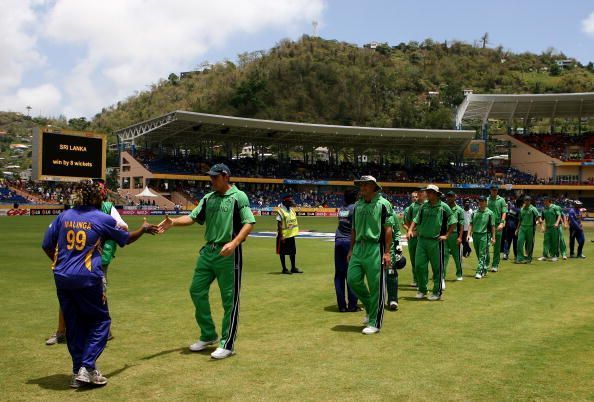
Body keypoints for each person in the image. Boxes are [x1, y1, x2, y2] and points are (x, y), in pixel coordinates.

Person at [41, 181, 157, 388]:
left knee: (74, 326)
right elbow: (126, 239)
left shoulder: (64, 216)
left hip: (62, 278)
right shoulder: (102, 218)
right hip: (88, 279)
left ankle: (77, 371)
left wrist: (59, 264)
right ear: (98, 198)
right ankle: (87, 367)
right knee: (101, 322)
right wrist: (144, 229)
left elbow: (46, 245)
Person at [158, 163, 255, 359]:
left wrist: (235, 243)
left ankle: (227, 344)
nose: (211, 181)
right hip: (208, 253)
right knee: (196, 290)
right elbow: (193, 218)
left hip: (228, 254)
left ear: (225, 176)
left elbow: (249, 222)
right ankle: (208, 334)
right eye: (210, 177)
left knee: (230, 300)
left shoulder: (239, 197)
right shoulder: (208, 198)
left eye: (215, 177)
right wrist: (174, 222)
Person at [346, 176, 393, 334]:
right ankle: (369, 307)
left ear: (374, 187)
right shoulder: (358, 205)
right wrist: (351, 249)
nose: (363, 187)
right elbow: (353, 229)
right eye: (361, 185)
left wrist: (387, 252)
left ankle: (375, 322)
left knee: (376, 287)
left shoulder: (383, 204)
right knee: (352, 280)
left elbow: (388, 229)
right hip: (359, 247)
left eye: (366, 185)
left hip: (375, 248)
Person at [406, 184, 456, 301]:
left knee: (437, 268)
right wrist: (409, 230)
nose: (428, 194)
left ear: (436, 194)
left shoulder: (444, 207)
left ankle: (437, 292)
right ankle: (422, 289)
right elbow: (415, 220)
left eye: (430, 192)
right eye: (427, 192)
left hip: (436, 241)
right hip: (422, 241)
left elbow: (453, 221)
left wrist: (447, 235)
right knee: (419, 266)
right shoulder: (423, 207)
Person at [334, 189, 360, 312]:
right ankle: (352, 305)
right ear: (355, 197)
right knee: (352, 274)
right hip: (349, 243)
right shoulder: (355, 208)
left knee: (339, 275)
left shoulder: (342, 209)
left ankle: (342, 306)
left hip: (338, 241)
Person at [468, 196, 496, 279]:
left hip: (485, 235)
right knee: (478, 253)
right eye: (480, 201)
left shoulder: (490, 213)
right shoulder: (474, 212)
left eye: (483, 201)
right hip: (475, 235)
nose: (481, 202)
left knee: (482, 253)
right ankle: (484, 268)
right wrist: (468, 234)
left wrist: (493, 237)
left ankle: (479, 271)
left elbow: (492, 226)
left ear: (486, 202)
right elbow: (471, 224)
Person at [402, 189, 426, 287]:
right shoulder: (410, 208)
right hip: (413, 238)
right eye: (413, 197)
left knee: (422, 260)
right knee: (413, 259)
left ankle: (423, 280)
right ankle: (416, 279)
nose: (415, 198)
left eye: (416, 196)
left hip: (423, 236)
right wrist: (410, 231)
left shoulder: (427, 206)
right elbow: (405, 223)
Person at [276, 194, 302, 274]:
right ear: (285, 202)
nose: (291, 202)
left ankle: (293, 268)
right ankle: (284, 269)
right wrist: (281, 236)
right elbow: (279, 224)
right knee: (282, 252)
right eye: (290, 201)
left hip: (291, 235)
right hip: (283, 236)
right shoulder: (280, 211)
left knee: (292, 252)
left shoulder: (292, 210)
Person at [386, 209, 405, 311]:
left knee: (391, 273)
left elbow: (397, 231)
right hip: (374, 247)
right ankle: (377, 299)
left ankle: (393, 299)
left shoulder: (391, 214)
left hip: (390, 249)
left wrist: (398, 247)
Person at [444, 191, 464, 281]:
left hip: (454, 235)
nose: (449, 198)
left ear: (455, 197)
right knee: (444, 256)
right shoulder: (443, 208)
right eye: (448, 196)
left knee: (457, 256)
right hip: (444, 235)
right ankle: (442, 275)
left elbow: (462, 224)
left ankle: (459, 274)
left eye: (451, 196)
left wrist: (460, 237)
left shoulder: (459, 209)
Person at [515, 196, 542, 264]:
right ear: (524, 201)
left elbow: (538, 217)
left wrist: (541, 225)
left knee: (529, 244)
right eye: (526, 200)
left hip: (530, 228)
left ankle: (529, 258)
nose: (527, 201)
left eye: (528, 200)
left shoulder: (533, 209)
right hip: (522, 228)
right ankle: (519, 258)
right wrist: (517, 229)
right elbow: (520, 220)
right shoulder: (522, 209)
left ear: (530, 201)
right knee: (519, 242)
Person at [487, 185, 507, 272]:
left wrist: (502, 223)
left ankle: (495, 265)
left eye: (495, 190)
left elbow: (504, 212)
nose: (494, 191)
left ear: (497, 191)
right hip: (487, 225)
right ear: (490, 190)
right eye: (493, 190)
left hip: (497, 224)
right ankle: (485, 263)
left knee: (497, 247)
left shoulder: (501, 200)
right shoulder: (487, 200)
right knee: (485, 246)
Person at [538, 196, 562, 262]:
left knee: (554, 242)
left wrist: (557, 223)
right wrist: (541, 224)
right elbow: (541, 218)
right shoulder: (544, 209)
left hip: (554, 227)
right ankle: (544, 256)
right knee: (546, 241)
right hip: (547, 228)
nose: (544, 202)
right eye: (543, 200)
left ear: (549, 200)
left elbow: (559, 215)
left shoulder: (555, 207)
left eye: (545, 200)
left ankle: (554, 256)